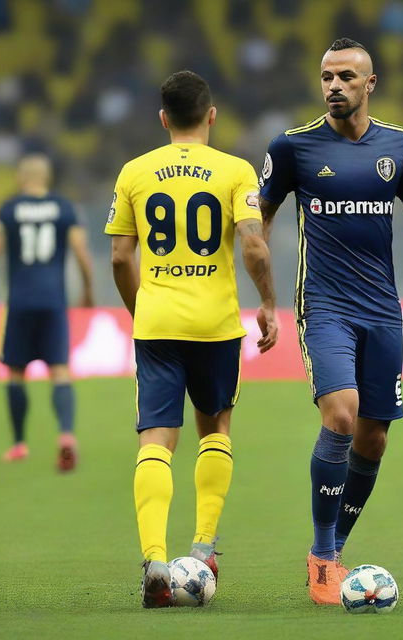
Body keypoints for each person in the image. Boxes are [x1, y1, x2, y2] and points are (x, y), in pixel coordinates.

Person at [258, 38, 403, 605]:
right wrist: (262, 289)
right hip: (323, 305)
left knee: (373, 439)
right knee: (342, 414)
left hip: (382, 310)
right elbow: (260, 216)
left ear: (369, 84)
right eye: (327, 76)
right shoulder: (294, 147)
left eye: (346, 77)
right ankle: (323, 554)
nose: (334, 86)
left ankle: (338, 544)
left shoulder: (399, 146)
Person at [105, 70, 278, 608]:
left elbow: (118, 255)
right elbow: (253, 245)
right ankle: (203, 547)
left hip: (158, 323)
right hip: (215, 324)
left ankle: (155, 559)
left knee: (155, 440)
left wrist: (142, 307)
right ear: (211, 115)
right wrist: (268, 302)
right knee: (216, 428)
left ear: (163, 119)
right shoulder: (234, 170)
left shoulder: (134, 172)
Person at [0, 154, 94, 471]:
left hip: (19, 301)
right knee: (59, 370)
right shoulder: (64, 207)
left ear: (22, 177)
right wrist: (87, 290)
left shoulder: (10, 208)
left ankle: (19, 444)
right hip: (53, 301)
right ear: (46, 177)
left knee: (16, 373)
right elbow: (81, 252)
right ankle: (67, 436)